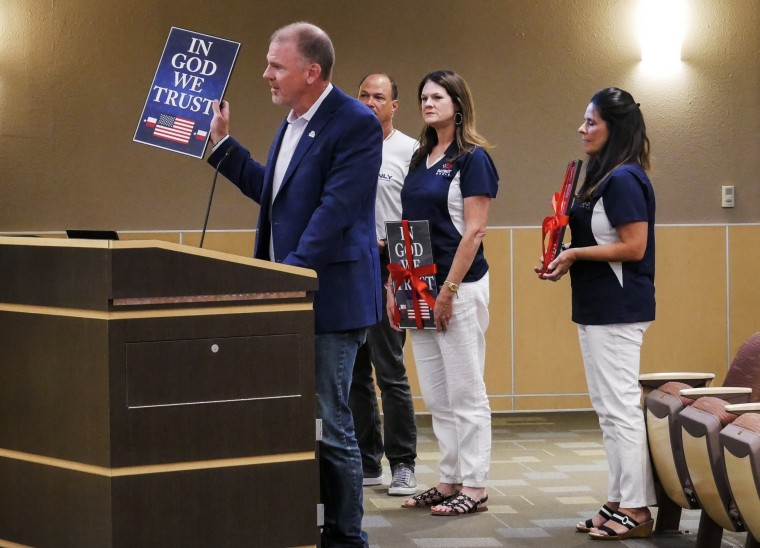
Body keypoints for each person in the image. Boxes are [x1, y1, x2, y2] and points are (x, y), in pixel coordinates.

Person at [206, 22, 382, 547]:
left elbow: (335, 212)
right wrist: (223, 148)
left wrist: (289, 275)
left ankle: (347, 537)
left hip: (329, 300)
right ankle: (302, 520)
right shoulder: (291, 123)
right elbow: (277, 194)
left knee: (331, 423)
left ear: (312, 71)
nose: (266, 75)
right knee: (295, 421)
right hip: (290, 294)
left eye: (276, 66)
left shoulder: (355, 123)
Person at [538, 87, 656, 541]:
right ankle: (618, 496)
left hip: (619, 308)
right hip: (594, 306)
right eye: (584, 121)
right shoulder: (598, 176)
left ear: (615, 128)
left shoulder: (626, 179)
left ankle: (637, 507)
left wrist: (575, 254)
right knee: (608, 410)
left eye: (592, 122)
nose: (582, 129)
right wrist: (564, 255)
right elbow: (596, 241)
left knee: (621, 408)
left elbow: (634, 246)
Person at [394, 70, 498, 516]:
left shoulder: (474, 159)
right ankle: (450, 477)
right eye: (423, 97)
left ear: (458, 102)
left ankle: (475, 485)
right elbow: (407, 229)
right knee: (436, 395)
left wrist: (449, 291)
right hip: (417, 286)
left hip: (460, 286)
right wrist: (395, 287)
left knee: (465, 390)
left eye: (437, 96)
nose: (428, 103)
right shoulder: (420, 158)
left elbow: (474, 231)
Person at [350, 73, 420, 496]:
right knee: (354, 372)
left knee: (390, 371)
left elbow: (416, 215)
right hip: (351, 267)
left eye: (380, 97)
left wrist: (400, 275)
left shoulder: (410, 151)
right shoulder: (344, 145)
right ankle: (367, 460)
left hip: (393, 267)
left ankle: (403, 464)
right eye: (364, 95)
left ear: (394, 105)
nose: (371, 102)